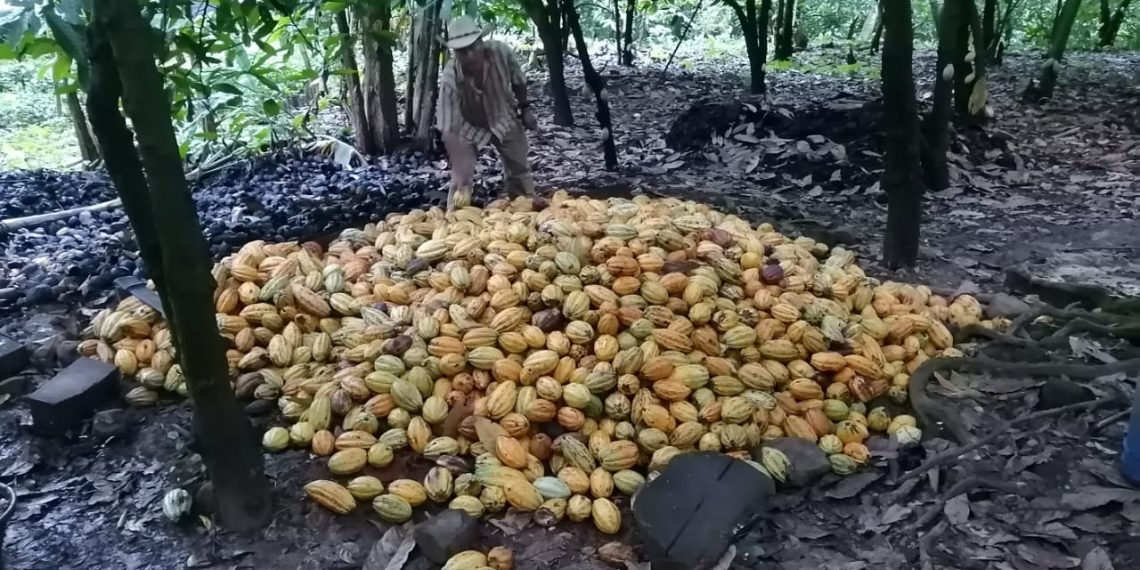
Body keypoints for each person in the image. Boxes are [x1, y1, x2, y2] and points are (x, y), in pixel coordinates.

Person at [437, 16, 537, 210]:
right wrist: (460, 165)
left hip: (503, 116)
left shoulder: (501, 53)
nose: (470, 55)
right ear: (455, 52)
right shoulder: (451, 75)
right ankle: (453, 225)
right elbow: (448, 127)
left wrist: (525, 108)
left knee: (519, 169)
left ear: (481, 43)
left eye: (473, 47)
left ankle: (526, 213)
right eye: (462, 51)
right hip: (468, 124)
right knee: (461, 181)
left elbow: (518, 81)